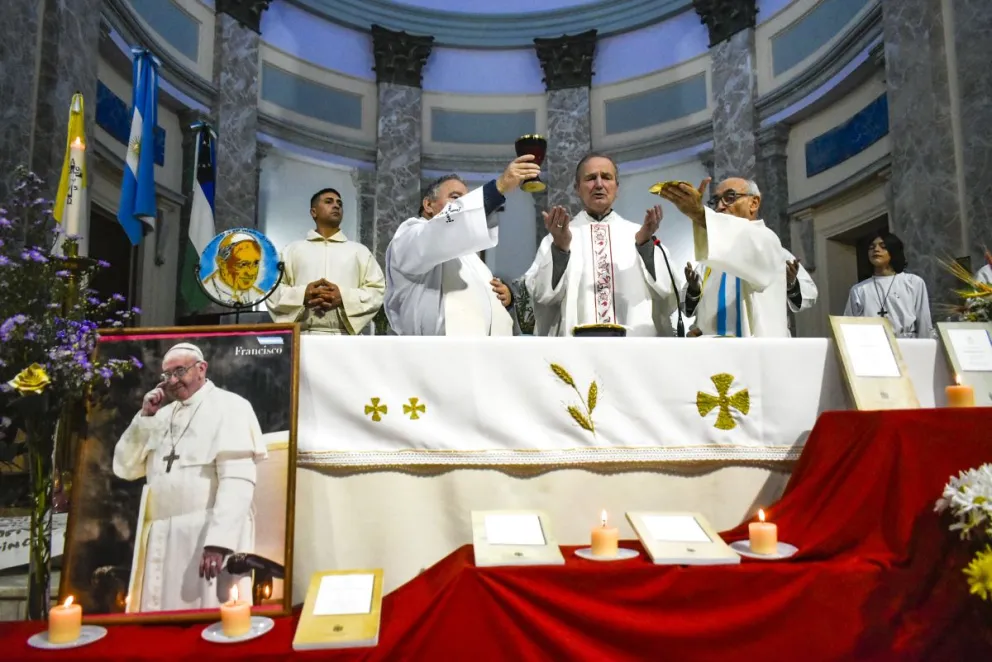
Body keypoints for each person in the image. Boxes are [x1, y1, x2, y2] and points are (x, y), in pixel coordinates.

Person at [113, 343, 268, 612]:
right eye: (166, 375)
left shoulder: (231, 407)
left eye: (179, 371)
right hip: (161, 537)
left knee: (209, 618)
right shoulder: (159, 416)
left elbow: (238, 482)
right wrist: (145, 418)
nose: (172, 381)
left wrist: (219, 543)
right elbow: (125, 468)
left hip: (205, 536)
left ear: (201, 369)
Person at [523, 153, 682, 336]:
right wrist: (560, 249)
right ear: (577, 188)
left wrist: (645, 246)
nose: (599, 184)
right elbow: (541, 296)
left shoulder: (639, 234)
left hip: (634, 346)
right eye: (590, 178)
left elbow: (668, 290)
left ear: (617, 187)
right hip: (577, 349)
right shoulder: (559, 237)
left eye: (606, 177)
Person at [384, 155, 540, 336]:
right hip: (435, 354)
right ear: (428, 204)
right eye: (456, 198)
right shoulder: (410, 235)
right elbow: (435, 236)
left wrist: (506, 298)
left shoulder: (470, 258)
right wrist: (498, 188)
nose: (464, 206)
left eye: (466, 202)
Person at [679, 179, 817, 337]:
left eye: (730, 197)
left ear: (754, 203)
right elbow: (689, 310)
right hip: (715, 352)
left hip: (759, 350)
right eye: (715, 201)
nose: (720, 206)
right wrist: (694, 290)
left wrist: (791, 284)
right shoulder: (709, 261)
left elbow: (809, 293)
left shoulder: (769, 245)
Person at [266, 188, 385, 334]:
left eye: (339, 204)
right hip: (301, 336)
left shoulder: (359, 252)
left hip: (344, 337)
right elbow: (271, 289)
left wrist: (343, 297)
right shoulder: (291, 250)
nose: (336, 206)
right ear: (313, 212)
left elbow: (376, 290)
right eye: (329, 202)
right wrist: (303, 294)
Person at [843, 232, 933, 338]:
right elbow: (849, 326)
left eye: (883, 246)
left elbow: (924, 321)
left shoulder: (913, 282)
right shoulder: (859, 290)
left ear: (893, 251)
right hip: (874, 344)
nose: (876, 250)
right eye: (871, 247)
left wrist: (925, 348)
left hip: (907, 343)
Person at [201, 232, 265, 305]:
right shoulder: (205, 289)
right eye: (243, 264)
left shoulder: (258, 294)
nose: (251, 273)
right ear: (222, 264)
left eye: (256, 263)